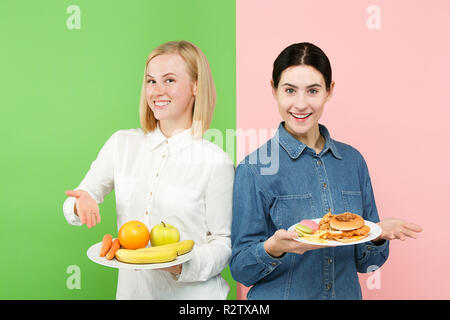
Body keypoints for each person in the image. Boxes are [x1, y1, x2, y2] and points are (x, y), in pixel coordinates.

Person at [229, 42, 422, 300]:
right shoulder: (254, 169)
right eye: (289, 90)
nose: (300, 104)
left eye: (312, 90)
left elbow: (367, 264)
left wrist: (377, 235)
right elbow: (241, 270)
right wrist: (272, 248)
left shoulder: (353, 162)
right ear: (274, 90)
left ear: (329, 91)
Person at [63, 40, 234, 299]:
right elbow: (76, 201)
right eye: (151, 81)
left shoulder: (216, 162)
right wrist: (79, 204)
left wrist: (181, 265)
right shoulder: (121, 144)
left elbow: (224, 243)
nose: (157, 91)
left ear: (196, 87)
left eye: (170, 80)